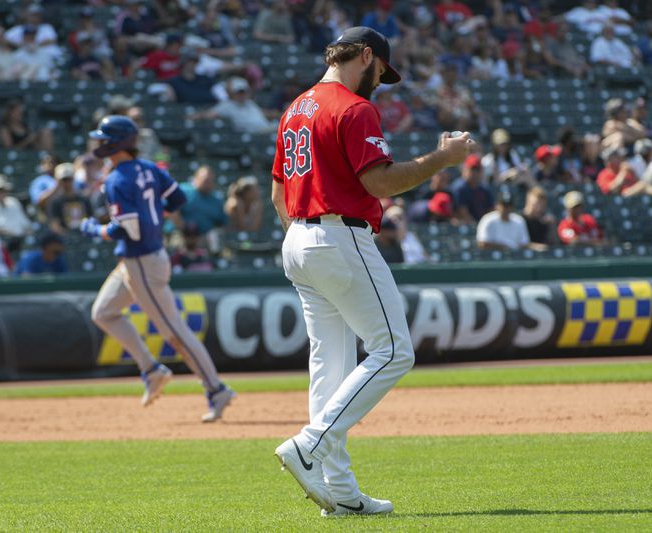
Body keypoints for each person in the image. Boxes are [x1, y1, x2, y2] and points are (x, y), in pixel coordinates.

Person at [270, 26, 471, 516]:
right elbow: (380, 180)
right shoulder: (353, 107)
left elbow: (277, 188)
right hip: (340, 235)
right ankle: (311, 444)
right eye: (381, 70)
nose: (380, 81)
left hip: (298, 235)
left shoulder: (297, 107)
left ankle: (337, 491)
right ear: (365, 55)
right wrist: (442, 159)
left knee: (330, 366)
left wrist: (304, 233)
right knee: (395, 350)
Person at [80, 115, 235, 421]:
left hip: (142, 262)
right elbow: (176, 200)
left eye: (104, 138)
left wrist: (93, 230)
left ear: (116, 143)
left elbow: (129, 230)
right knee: (104, 312)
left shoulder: (116, 179)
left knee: (174, 332)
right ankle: (151, 369)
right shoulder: (151, 168)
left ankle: (217, 389)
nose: (99, 143)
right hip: (141, 259)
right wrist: (152, 215)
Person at [0, 174, 33, 241]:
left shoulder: (13, 201)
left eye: (3, 190)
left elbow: (25, 222)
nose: (1, 193)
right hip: (1, 241)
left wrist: (28, 232)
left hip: (22, 238)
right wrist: (11, 234)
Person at [179, 165, 228, 235]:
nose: (207, 183)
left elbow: (223, 224)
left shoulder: (217, 200)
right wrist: (184, 229)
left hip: (206, 238)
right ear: (195, 179)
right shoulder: (183, 191)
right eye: (205, 180)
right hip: (181, 235)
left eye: (210, 181)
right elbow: (172, 212)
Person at [48, 163, 93, 234]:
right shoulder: (55, 202)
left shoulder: (83, 198)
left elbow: (91, 219)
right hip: (66, 239)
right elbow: (55, 225)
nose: (66, 183)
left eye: (69, 179)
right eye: (64, 180)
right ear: (58, 181)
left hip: (85, 235)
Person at [451, 154, 494, 221]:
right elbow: (463, 212)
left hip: (482, 224)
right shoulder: (459, 188)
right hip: (466, 226)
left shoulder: (485, 189)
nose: (475, 173)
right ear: (464, 170)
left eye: (477, 170)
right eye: (472, 169)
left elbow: (491, 210)